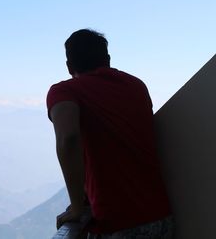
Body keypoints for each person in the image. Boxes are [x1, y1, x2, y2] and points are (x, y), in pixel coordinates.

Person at [47, 29, 173, 238]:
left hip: (117, 223)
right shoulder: (136, 86)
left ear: (69, 67)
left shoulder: (65, 91)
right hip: (160, 218)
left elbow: (68, 139)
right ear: (108, 59)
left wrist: (77, 207)